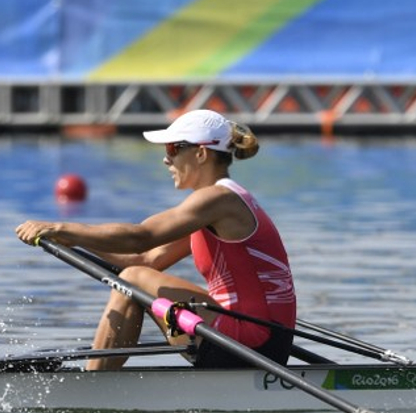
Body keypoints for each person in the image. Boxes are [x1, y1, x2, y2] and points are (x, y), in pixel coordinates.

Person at [15, 109, 296, 370]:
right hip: (258, 342)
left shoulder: (218, 199)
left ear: (200, 154)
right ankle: (98, 379)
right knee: (133, 276)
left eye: (173, 149)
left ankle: (94, 386)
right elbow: (147, 258)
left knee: (133, 279)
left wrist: (63, 227)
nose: (166, 159)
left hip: (252, 342)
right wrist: (75, 240)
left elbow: (142, 238)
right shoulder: (213, 207)